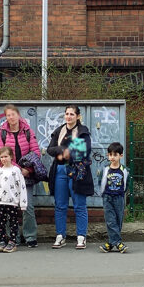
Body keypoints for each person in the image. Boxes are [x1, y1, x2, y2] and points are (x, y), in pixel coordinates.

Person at [0, 104, 41, 247]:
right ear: (5, 117)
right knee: (8, 207)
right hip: (9, 176)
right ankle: (13, 238)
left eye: (13, 114)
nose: (11, 117)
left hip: (26, 175)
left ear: (18, 115)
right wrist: (17, 170)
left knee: (28, 206)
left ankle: (30, 236)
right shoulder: (1, 134)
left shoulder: (28, 131)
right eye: (8, 115)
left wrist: (28, 169)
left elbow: (36, 152)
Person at [46, 105, 94, 249]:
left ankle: (81, 237)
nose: (69, 116)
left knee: (79, 205)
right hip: (60, 170)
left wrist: (67, 154)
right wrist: (64, 150)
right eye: (67, 114)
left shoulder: (82, 131)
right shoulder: (59, 131)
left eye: (72, 114)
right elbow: (50, 149)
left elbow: (84, 151)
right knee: (60, 205)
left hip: (77, 171)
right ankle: (60, 236)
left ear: (78, 116)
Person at [0, 146, 27, 253]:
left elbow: (22, 186)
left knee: (13, 222)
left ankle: (12, 241)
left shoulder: (16, 170)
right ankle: (2, 240)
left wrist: (23, 203)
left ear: (11, 157)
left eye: (6, 156)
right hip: (1, 201)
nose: (4, 159)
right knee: (1, 222)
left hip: (12, 201)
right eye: (1, 157)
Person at [99, 142, 129, 253]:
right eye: (110, 154)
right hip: (107, 197)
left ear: (121, 156)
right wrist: (103, 194)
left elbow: (126, 184)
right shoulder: (105, 169)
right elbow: (101, 181)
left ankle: (111, 243)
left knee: (118, 220)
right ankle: (118, 243)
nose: (112, 157)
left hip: (119, 198)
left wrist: (121, 193)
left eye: (115, 155)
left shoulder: (124, 170)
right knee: (110, 221)